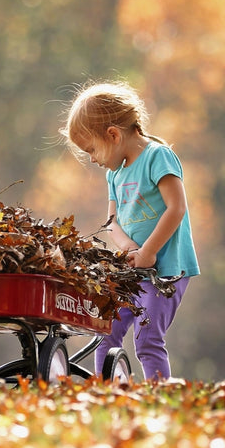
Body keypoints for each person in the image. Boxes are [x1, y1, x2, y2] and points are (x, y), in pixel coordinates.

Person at [60, 80, 200, 380]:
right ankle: (106, 391)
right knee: (105, 329)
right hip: (133, 270)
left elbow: (176, 208)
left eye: (92, 150)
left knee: (147, 339)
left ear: (112, 135)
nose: (92, 160)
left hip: (167, 270)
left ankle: (157, 396)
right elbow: (113, 222)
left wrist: (149, 251)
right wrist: (131, 251)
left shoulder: (157, 157)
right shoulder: (115, 174)